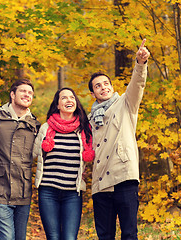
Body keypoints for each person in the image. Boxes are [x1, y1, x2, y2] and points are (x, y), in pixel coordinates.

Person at [88, 39, 150, 240]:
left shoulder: (125, 103)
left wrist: (140, 64)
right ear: (93, 93)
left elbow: (137, 84)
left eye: (106, 84)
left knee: (129, 233)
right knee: (105, 235)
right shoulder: (89, 119)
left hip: (124, 177)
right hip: (100, 183)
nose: (103, 87)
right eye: (98, 86)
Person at [33, 87, 95, 240]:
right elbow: (33, 154)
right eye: (64, 98)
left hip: (72, 193)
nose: (69, 100)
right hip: (48, 191)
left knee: (69, 237)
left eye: (72, 97)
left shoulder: (84, 129)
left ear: (76, 103)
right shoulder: (46, 128)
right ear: (58, 105)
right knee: (53, 237)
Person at [0, 79, 41, 240]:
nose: (27, 95)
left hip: (23, 192)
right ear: (12, 94)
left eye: (30, 93)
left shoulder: (35, 125)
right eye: (23, 91)